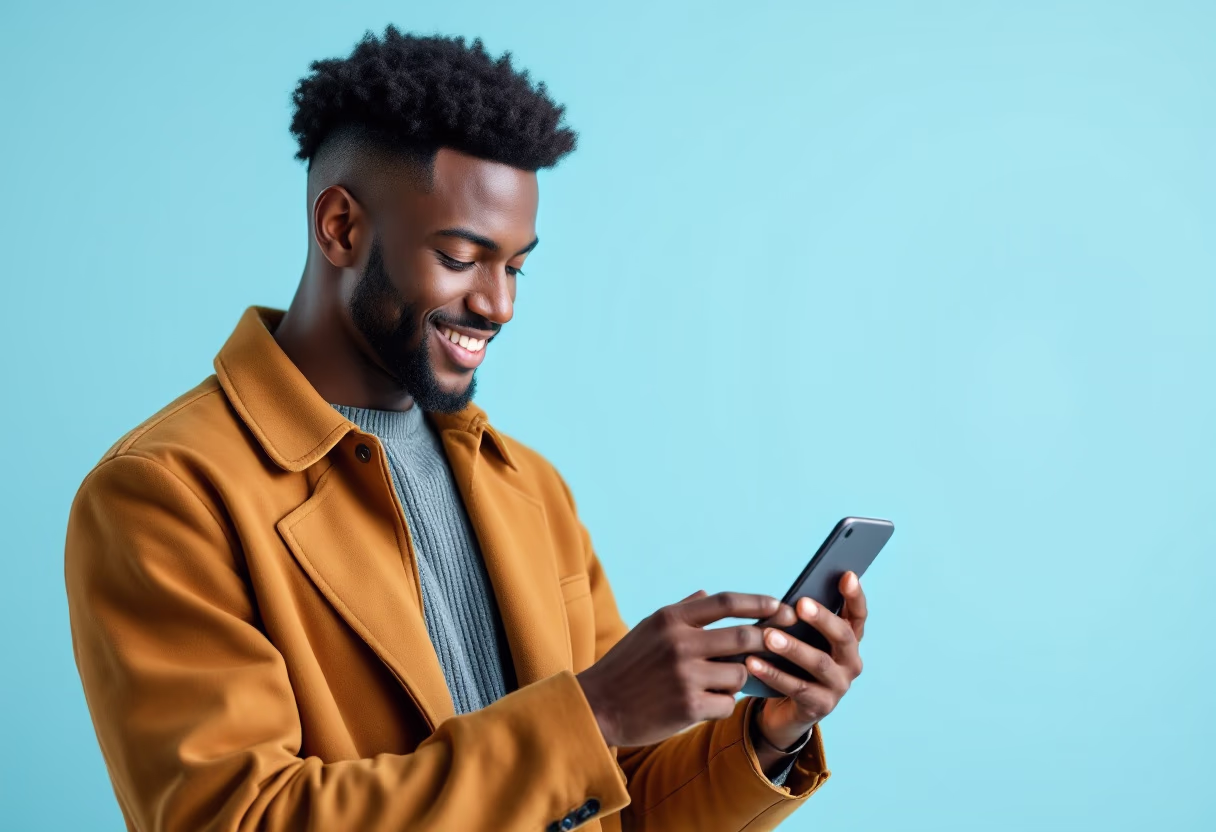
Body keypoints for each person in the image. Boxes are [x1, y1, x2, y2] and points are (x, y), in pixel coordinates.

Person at [64, 27, 868, 832]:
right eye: (460, 257)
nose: (499, 305)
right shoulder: (165, 492)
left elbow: (609, 803)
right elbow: (236, 819)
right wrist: (596, 714)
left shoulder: (527, 486)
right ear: (342, 227)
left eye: (515, 267)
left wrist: (768, 736)